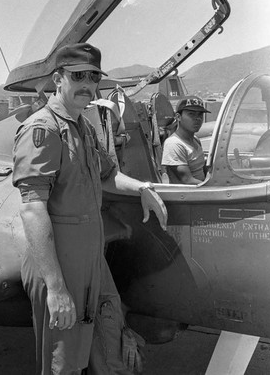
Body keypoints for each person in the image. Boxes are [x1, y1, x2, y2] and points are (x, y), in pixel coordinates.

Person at [12, 42, 168, 375]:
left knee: (94, 346)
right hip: (60, 263)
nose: (88, 84)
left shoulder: (82, 127)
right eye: (78, 76)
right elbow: (32, 209)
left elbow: (108, 176)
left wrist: (141, 187)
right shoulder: (44, 130)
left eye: (94, 77)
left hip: (89, 258)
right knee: (62, 362)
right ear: (58, 79)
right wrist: (56, 289)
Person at [161, 96, 210, 184]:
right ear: (178, 117)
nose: (197, 118)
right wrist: (213, 188)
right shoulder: (173, 144)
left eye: (200, 114)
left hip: (202, 191)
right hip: (188, 195)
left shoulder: (195, 140)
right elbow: (187, 180)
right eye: (191, 114)